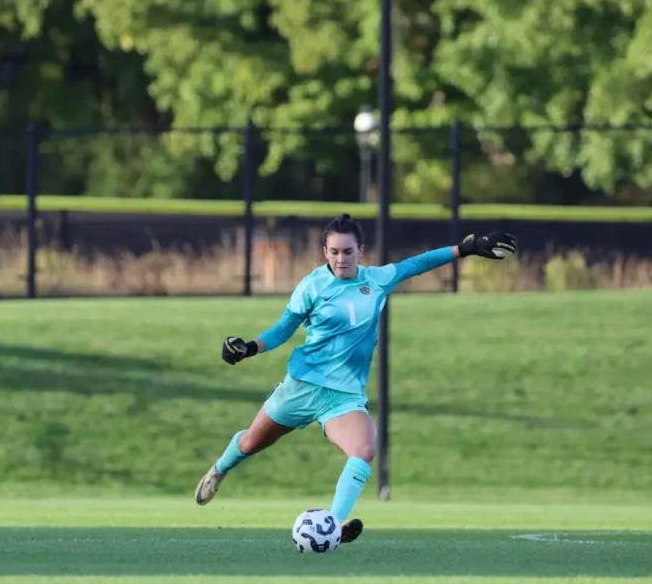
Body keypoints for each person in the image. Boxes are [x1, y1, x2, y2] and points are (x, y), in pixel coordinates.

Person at [194, 213, 518, 544]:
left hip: (343, 397)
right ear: (325, 251)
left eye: (347, 251)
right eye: (334, 251)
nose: (340, 258)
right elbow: (283, 330)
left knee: (364, 447)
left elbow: (417, 263)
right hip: (301, 386)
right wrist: (249, 347)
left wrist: (468, 248)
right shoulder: (312, 286)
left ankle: (332, 525)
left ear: (360, 250)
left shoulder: (376, 280)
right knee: (251, 443)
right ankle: (219, 469)